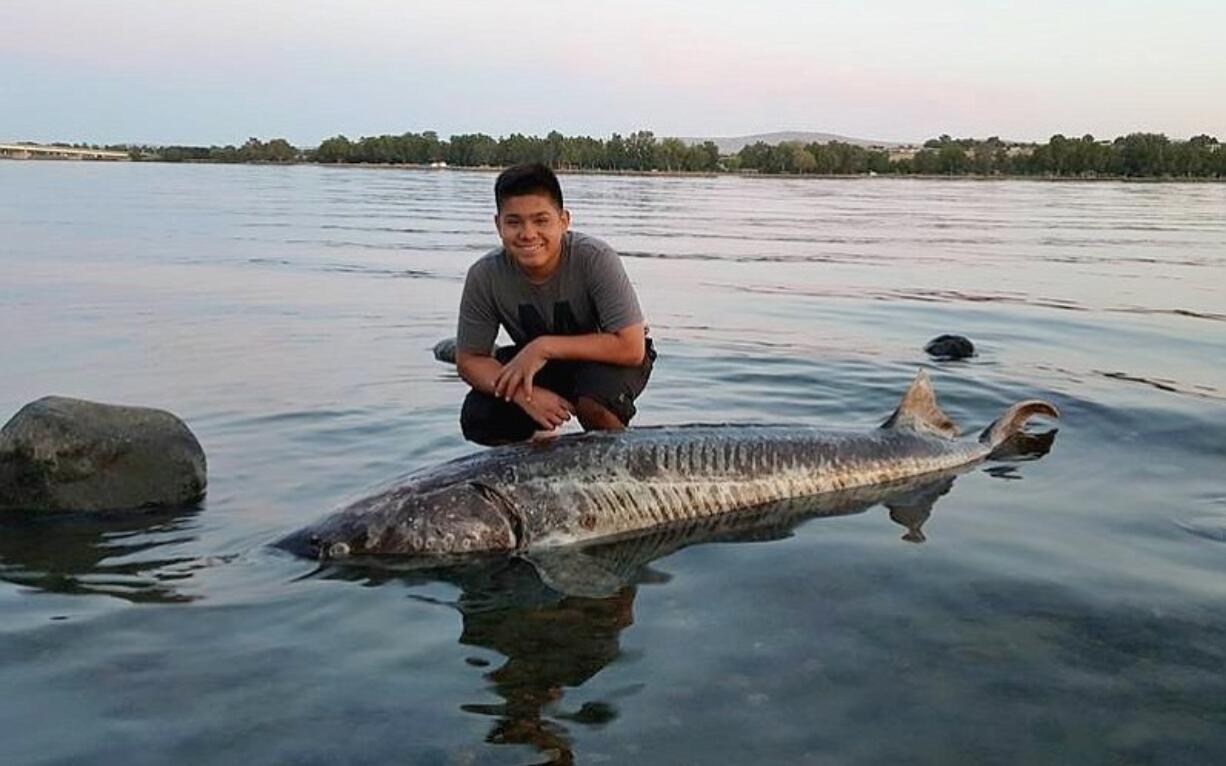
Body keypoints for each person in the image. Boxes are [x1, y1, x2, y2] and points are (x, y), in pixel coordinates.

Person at [455, 163, 654, 445]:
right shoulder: (484, 275)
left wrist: (543, 347)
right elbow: (470, 360)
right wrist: (526, 396)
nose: (528, 234)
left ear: (564, 221)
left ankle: (619, 468)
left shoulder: (595, 258)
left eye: (541, 220)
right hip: (538, 364)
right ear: (498, 225)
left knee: (594, 405)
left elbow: (632, 347)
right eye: (514, 222)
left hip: (608, 358)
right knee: (480, 415)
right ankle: (540, 450)